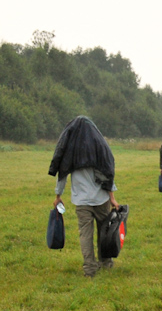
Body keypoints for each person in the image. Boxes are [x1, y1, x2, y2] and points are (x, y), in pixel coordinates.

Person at [48, 115, 121, 278]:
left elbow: (62, 174)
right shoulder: (99, 149)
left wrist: (58, 195)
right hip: (101, 199)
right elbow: (108, 173)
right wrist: (112, 197)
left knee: (85, 235)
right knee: (105, 232)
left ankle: (89, 269)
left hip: (81, 201)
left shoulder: (71, 152)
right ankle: (106, 262)